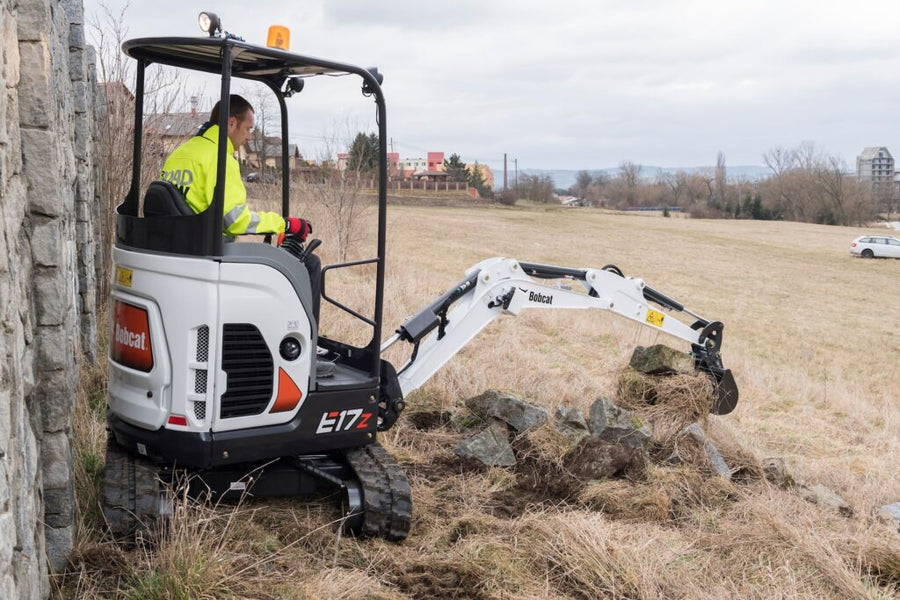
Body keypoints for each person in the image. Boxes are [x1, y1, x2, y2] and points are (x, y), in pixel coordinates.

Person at [160, 94, 333, 376]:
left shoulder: (183, 152)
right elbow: (235, 220)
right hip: (208, 258)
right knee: (307, 265)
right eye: (248, 128)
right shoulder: (220, 159)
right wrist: (286, 225)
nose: (249, 137)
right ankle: (304, 357)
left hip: (179, 252)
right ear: (231, 123)